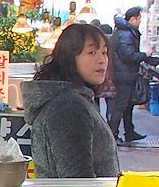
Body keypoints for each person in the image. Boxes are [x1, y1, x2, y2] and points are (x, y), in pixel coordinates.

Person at [24, 21, 121, 178]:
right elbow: (77, 180)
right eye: (92, 53)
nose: (102, 60)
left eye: (104, 52)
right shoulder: (68, 107)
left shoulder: (76, 99)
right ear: (69, 58)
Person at [107, 6, 147, 143]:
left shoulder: (125, 31)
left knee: (127, 105)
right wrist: (144, 56)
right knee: (120, 105)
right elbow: (128, 55)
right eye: (139, 19)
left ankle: (129, 131)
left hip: (124, 74)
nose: (140, 22)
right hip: (123, 76)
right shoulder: (126, 33)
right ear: (133, 19)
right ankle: (113, 135)